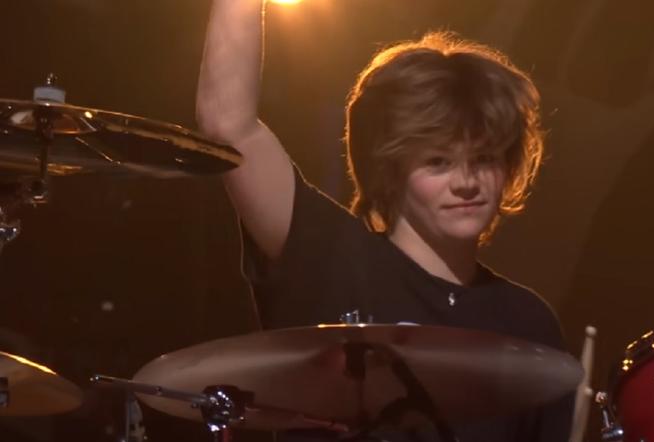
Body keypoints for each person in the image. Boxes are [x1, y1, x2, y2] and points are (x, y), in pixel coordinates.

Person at [196, 1, 574, 441]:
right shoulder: (333, 257)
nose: (467, 182)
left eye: (485, 159)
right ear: (390, 169)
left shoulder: (529, 322)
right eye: (438, 162)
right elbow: (228, 125)